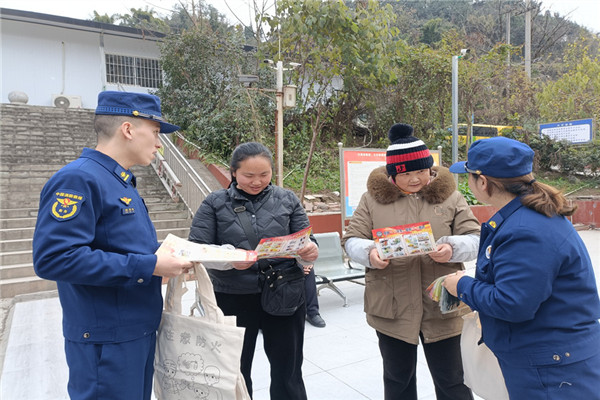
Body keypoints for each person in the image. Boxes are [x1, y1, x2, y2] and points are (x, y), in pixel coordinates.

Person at [32, 91, 194, 400]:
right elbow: (54, 258)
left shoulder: (119, 180)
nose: (159, 144)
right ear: (128, 129)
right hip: (106, 339)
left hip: (134, 330)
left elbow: (120, 246)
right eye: (156, 132)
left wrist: (170, 254)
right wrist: (150, 265)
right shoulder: (78, 180)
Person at [443, 136, 600, 399]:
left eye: (469, 176)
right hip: (552, 356)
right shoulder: (529, 214)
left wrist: (462, 285)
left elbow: (512, 303)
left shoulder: (525, 229)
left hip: (552, 370)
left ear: (483, 182)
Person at [342, 123, 480, 400]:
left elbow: (475, 237)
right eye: (406, 173)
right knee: (398, 381)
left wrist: (452, 248)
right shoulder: (372, 200)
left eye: (421, 171)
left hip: (442, 305)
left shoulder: (451, 197)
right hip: (391, 306)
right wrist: (370, 254)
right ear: (393, 174)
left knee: (453, 380)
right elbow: (351, 239)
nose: (416, 179)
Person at [188, 142, 319, 399]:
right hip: (232, 296)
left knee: (288, 370)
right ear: (233, 172)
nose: (257, 181)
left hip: (284, 293)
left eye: (264, 174)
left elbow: (306, 239)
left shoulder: (287, 199)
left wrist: (309, 251)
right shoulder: (214, 203)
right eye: (248, 175)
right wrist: (230, 259)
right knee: (235, 371)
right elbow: (197, 249)